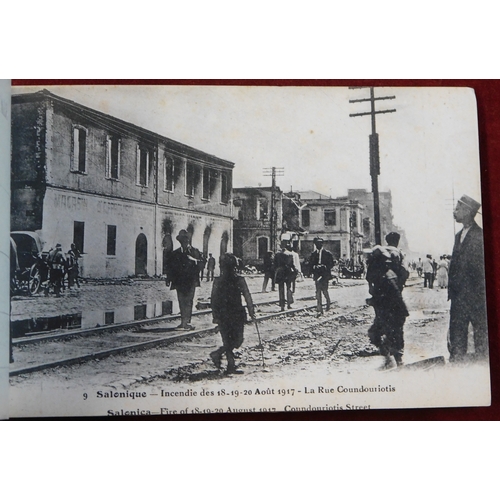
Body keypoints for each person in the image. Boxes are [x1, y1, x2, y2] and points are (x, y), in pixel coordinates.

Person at [448, 195, 488, 362]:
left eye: (458, 209)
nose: (454, 212)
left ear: (468, 211)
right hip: (458, 296)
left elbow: (481, 268)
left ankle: (482, 365)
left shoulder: (480, 236)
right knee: (457, 331)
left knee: (480, 333)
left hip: (475, 296)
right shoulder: (458, 235)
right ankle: (457, 361)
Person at [365, 232, 409, 368]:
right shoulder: (399, 254)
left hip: (379, 294)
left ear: (386, 240)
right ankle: (398, 355)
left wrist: (374, 288)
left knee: (381, 318)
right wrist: (399, 285)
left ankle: (383, 346)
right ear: (397, 241)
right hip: (394, 293)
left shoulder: (378, 253)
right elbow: (405, 272)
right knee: (397, 322)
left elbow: (368, 275)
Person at [210, 253, 256, 375]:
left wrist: (251, 311)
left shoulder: (239, 279)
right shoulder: (219, 281)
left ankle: (218, 354)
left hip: (236, 314)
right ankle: (231, 365)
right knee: (228, 340)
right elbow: (213, 300)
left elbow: (247, 296)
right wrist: (215, 316)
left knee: (237, 341)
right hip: (226, 314)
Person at [165, 230, 203, 330]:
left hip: (191, 281)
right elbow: (170, 267)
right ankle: (183, 321)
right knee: (181, 301)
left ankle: (187, 322)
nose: (184, 242)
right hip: (179, 281)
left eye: (185, 240)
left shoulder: (195, 251)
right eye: (182, 240)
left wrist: (194, 260)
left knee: (189, 301)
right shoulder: (175, 253)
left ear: (188, 240)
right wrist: (168, 279)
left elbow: (202, 264)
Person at [309, 237, 334, 315]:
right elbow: (310, 264)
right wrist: (314, 268)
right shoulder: (313, 254)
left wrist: (325, 267)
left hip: (325, 275)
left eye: (319, 243)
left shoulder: (327, 254)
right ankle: (319, 307)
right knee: (318, 291)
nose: (318, 245)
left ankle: (328, 302)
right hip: (317, 274)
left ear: (322, 244)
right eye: (316, 244)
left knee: (325, 290)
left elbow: (331, 264)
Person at [274, 241, 296, 311]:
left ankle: (282, 306)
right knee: (288, 288)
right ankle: (289, 304)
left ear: (280, 246)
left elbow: (274, 265)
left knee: (281, 289)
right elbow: (292, 265)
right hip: (288, 272)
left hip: (280, 273)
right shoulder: (290, 254)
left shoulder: (277, 255)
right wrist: (295, 271)